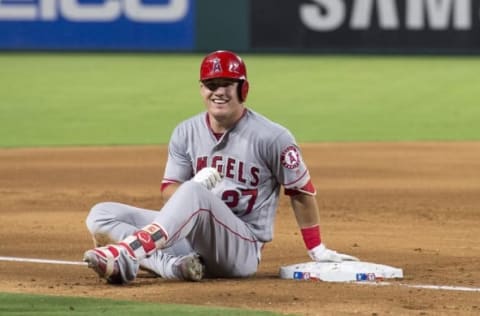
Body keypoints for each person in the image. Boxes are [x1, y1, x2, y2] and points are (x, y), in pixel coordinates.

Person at [83, 50, 359, 284]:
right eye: (211, 84)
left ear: (243, 89)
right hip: (192, 241)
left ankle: (128, 254)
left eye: (227, 83)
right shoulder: (185, 131)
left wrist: (316, 248)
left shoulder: (272, 137)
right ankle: (174, 267)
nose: (219, 92)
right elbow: (169, 191)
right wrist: (193, 191)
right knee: (102, 215)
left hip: (241, 249)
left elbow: (301, 191)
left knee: (193, 193)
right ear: (202, 89)